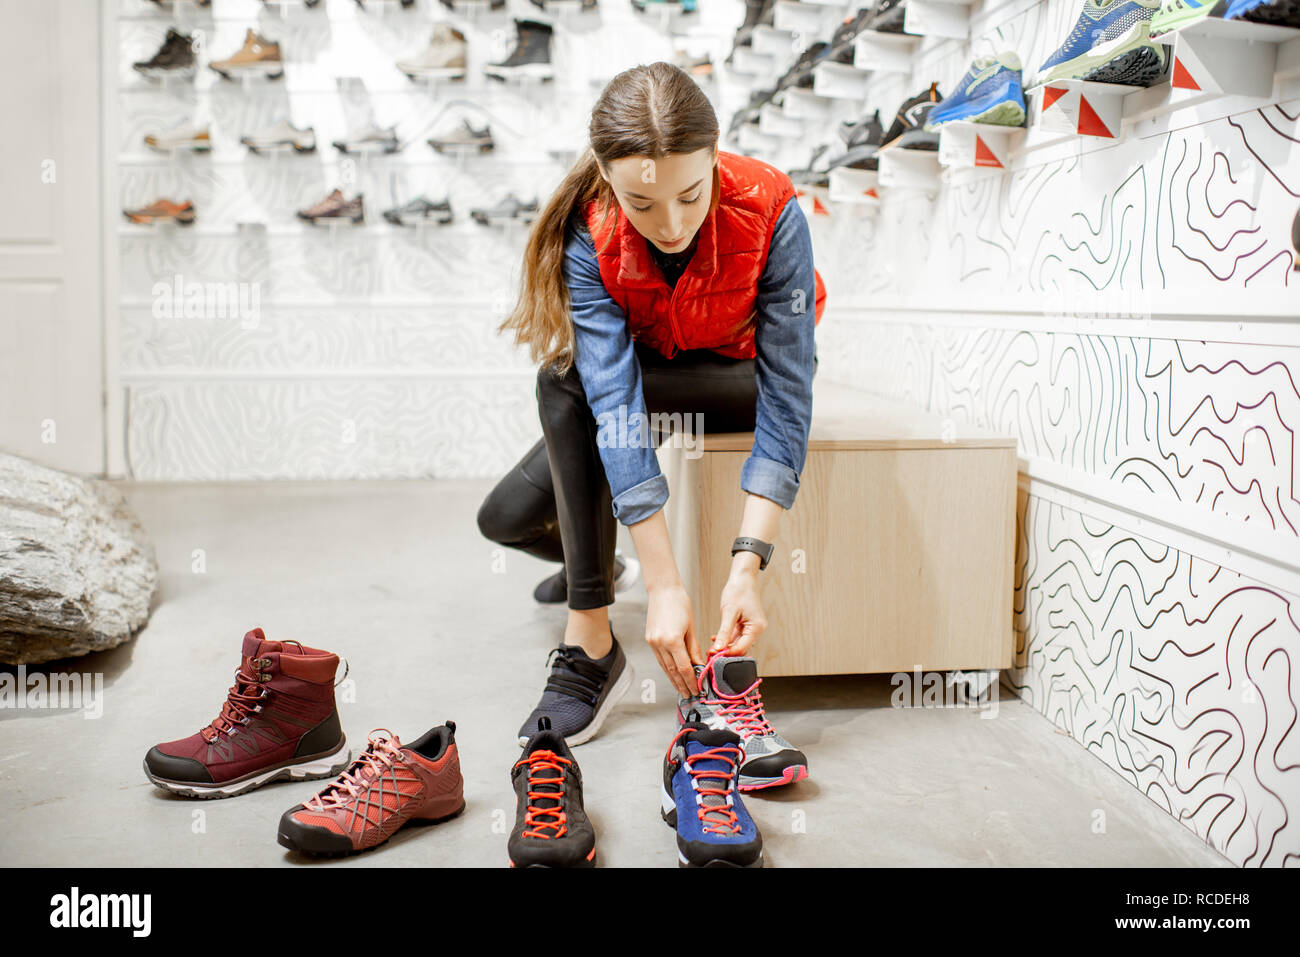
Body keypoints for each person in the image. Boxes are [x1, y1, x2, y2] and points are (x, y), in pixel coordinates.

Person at [477, 61, 825, 747]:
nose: (671, 224)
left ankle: (590, 641)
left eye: (692, 196)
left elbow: (788, 393)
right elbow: (615, 399)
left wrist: (747, 565)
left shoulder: (771, 205)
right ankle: (609, 570)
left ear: (716, 160)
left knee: (560, 384)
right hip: (648, 381)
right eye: (643, 204)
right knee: (503, 517)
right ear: (607, 180)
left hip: (737, 380)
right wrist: (663, 584)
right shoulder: (589, 228)